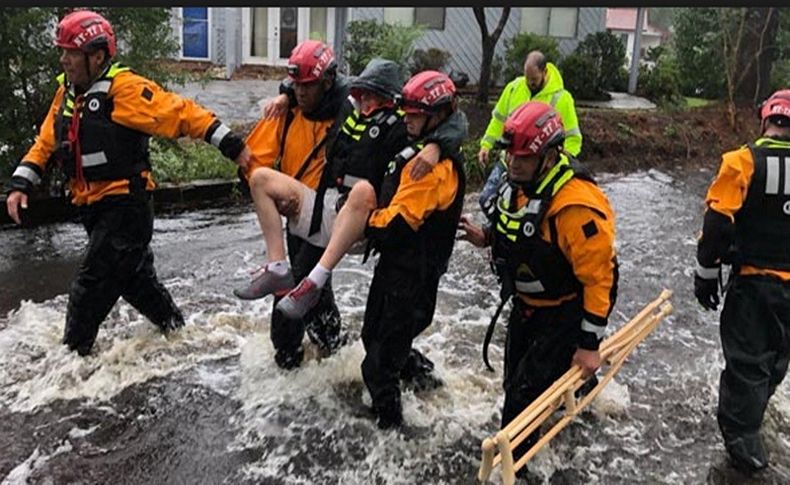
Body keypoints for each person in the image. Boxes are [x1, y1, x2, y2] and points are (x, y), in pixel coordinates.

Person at [4, 10, 249, 356]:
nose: (63, 59)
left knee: (88, 289)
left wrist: (233, 146)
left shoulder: (126, 90)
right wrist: (21, 184)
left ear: (97, 56)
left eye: (70, 53)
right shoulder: (67, 92)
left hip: (125, 209)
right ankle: (184, 339)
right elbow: (46, 142)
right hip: (92, 208)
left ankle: (70, 367)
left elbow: (181, 113)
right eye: (62, 51)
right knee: (137, 283)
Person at [237, 45, 463, 370]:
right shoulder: (335, 104)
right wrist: (285, 92)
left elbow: (451, 118)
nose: (302, 92)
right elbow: (304, 84)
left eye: (308, 85)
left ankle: (290, 359)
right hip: (315, 207)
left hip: (357, 216)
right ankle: (329, 348)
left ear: (327, 81)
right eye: (297, 85)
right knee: (298, 281)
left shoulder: (399, 121)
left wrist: (439, 145)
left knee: (307, 287)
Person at [285, 70, 466, 429]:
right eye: (407, 112)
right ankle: (431, 385)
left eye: (415, 115)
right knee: (373, 339)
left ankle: (392, 435)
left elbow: (400, 223)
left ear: (437, 115)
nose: (407, 119)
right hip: (395, 269)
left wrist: (360, 221)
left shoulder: (434, 169)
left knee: (378, 365)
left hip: (414, 276)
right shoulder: (420, 139)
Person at [458, 101, 617, 461]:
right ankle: (570, 396)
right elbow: (521, 234)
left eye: (524, 158)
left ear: (549, 155)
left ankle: (516, 465)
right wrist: (486, 236)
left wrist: (590, 344)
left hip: (566, 310)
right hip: (528, 305)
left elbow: (599, 277)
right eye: (510, 155)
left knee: (521, 402)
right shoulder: (517, 185)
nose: (514, 163)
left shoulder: (575, 204)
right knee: (513, 381)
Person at [694, 89, 790, 475]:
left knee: (747, 364)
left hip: (754, 285)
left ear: (765, 118)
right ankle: (749, 433)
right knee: (775, 362)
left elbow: (718, 221)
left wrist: (706, 272)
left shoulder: (743, 161)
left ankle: (745, 455)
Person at [478, 50, 582, 214]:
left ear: (545, 72)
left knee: (528, 213)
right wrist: (486, 145)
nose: (530, 83)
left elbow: (573, 137)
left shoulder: (562, 98)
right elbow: (498, 120)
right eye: (527, 78)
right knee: (487, 200)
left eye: (534, 79)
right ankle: (493, 236)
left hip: (539, 170)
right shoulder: (513, 89)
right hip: (509, 161)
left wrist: (559, 162)